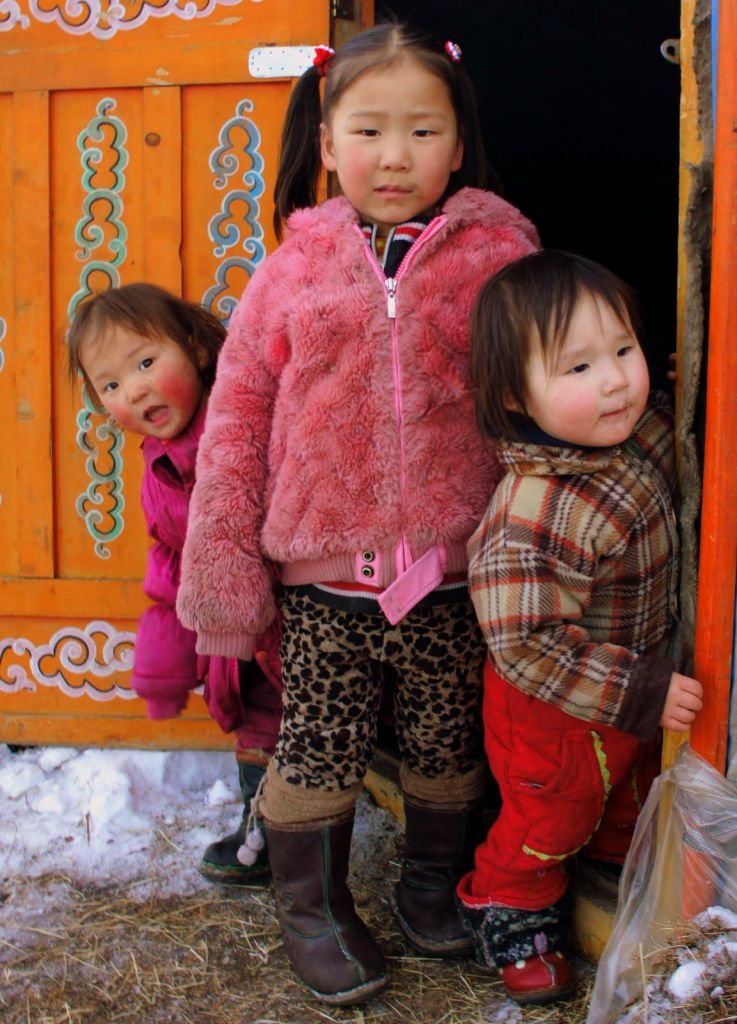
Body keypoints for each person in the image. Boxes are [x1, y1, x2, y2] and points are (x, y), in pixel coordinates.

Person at [175, 21, 538, 1007]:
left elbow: (534, 401)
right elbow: (238, 422)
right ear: (326, 141)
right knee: (319, 743)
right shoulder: (289, 272)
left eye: (422, 132)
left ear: (458, 144)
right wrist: (224, 572)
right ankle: (315, 912)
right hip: (323, 583)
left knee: (445, 741)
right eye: (368, 131)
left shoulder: (500, 257)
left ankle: (431, 893)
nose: (393, 155)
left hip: (455, 573)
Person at [456, 250, 703, 1005]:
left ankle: (608, 845)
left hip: (624, 689)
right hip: (551, 708)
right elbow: (525, 642)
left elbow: (679, 434)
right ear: (514, 396)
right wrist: (639, 687)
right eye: (577, 368)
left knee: (624, 783)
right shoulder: (533, 510)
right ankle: (507, 904)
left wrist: (686, 376)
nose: (612, 381)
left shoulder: (627, 434)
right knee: (550, 811)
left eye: (622, 351)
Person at [66, 283, 283, 886]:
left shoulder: (242, 421)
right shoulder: (157, 467)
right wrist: (165, 667)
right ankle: (262, 826)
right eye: (109, 385)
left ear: (196, 349)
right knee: (257, 718)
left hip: (295, 612)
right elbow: (170, 564)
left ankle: (314, 837)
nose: (132, 390)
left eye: (145, 362)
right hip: (240, 635)